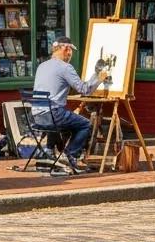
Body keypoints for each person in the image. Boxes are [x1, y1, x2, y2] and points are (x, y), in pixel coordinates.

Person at [31, 35, 108, 173]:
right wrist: (99, 78)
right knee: (85, 124)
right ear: (66, 49)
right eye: (71, 51)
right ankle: (70, 154)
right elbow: (84, 89)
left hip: (37, 115)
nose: (71, 55)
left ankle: (49, 151)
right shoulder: (66, 67)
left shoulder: (41, 66)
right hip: (53, 115)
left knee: (62, 119)